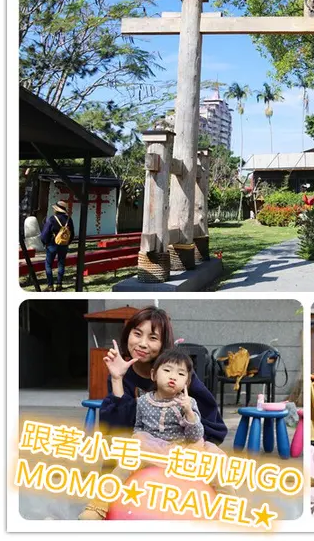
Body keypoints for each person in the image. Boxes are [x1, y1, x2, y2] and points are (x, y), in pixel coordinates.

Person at [79, 306, 227, 520]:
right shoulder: (120, 372)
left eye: (153, 338)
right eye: (137, 333)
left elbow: (211, 422)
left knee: (218, 465)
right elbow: (116, 429)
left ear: (163, 343)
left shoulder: (179, 374)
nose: (142, 343)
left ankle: (229, 512)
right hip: (143, 447)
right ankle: (99, 508)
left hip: (182, 449)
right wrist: (117, 379)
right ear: (128, 334)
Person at [40, 200, 74, 291]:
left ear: (56, 209)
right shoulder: (68, 219)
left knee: (48, 264)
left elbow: (44, 234)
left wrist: (45, 243)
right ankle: (59, 284)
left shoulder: (52, 219)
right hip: (64, 245)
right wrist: (66, 243)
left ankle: (50, 285)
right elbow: (72, 234)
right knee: (61, 264)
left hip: (52, 245)